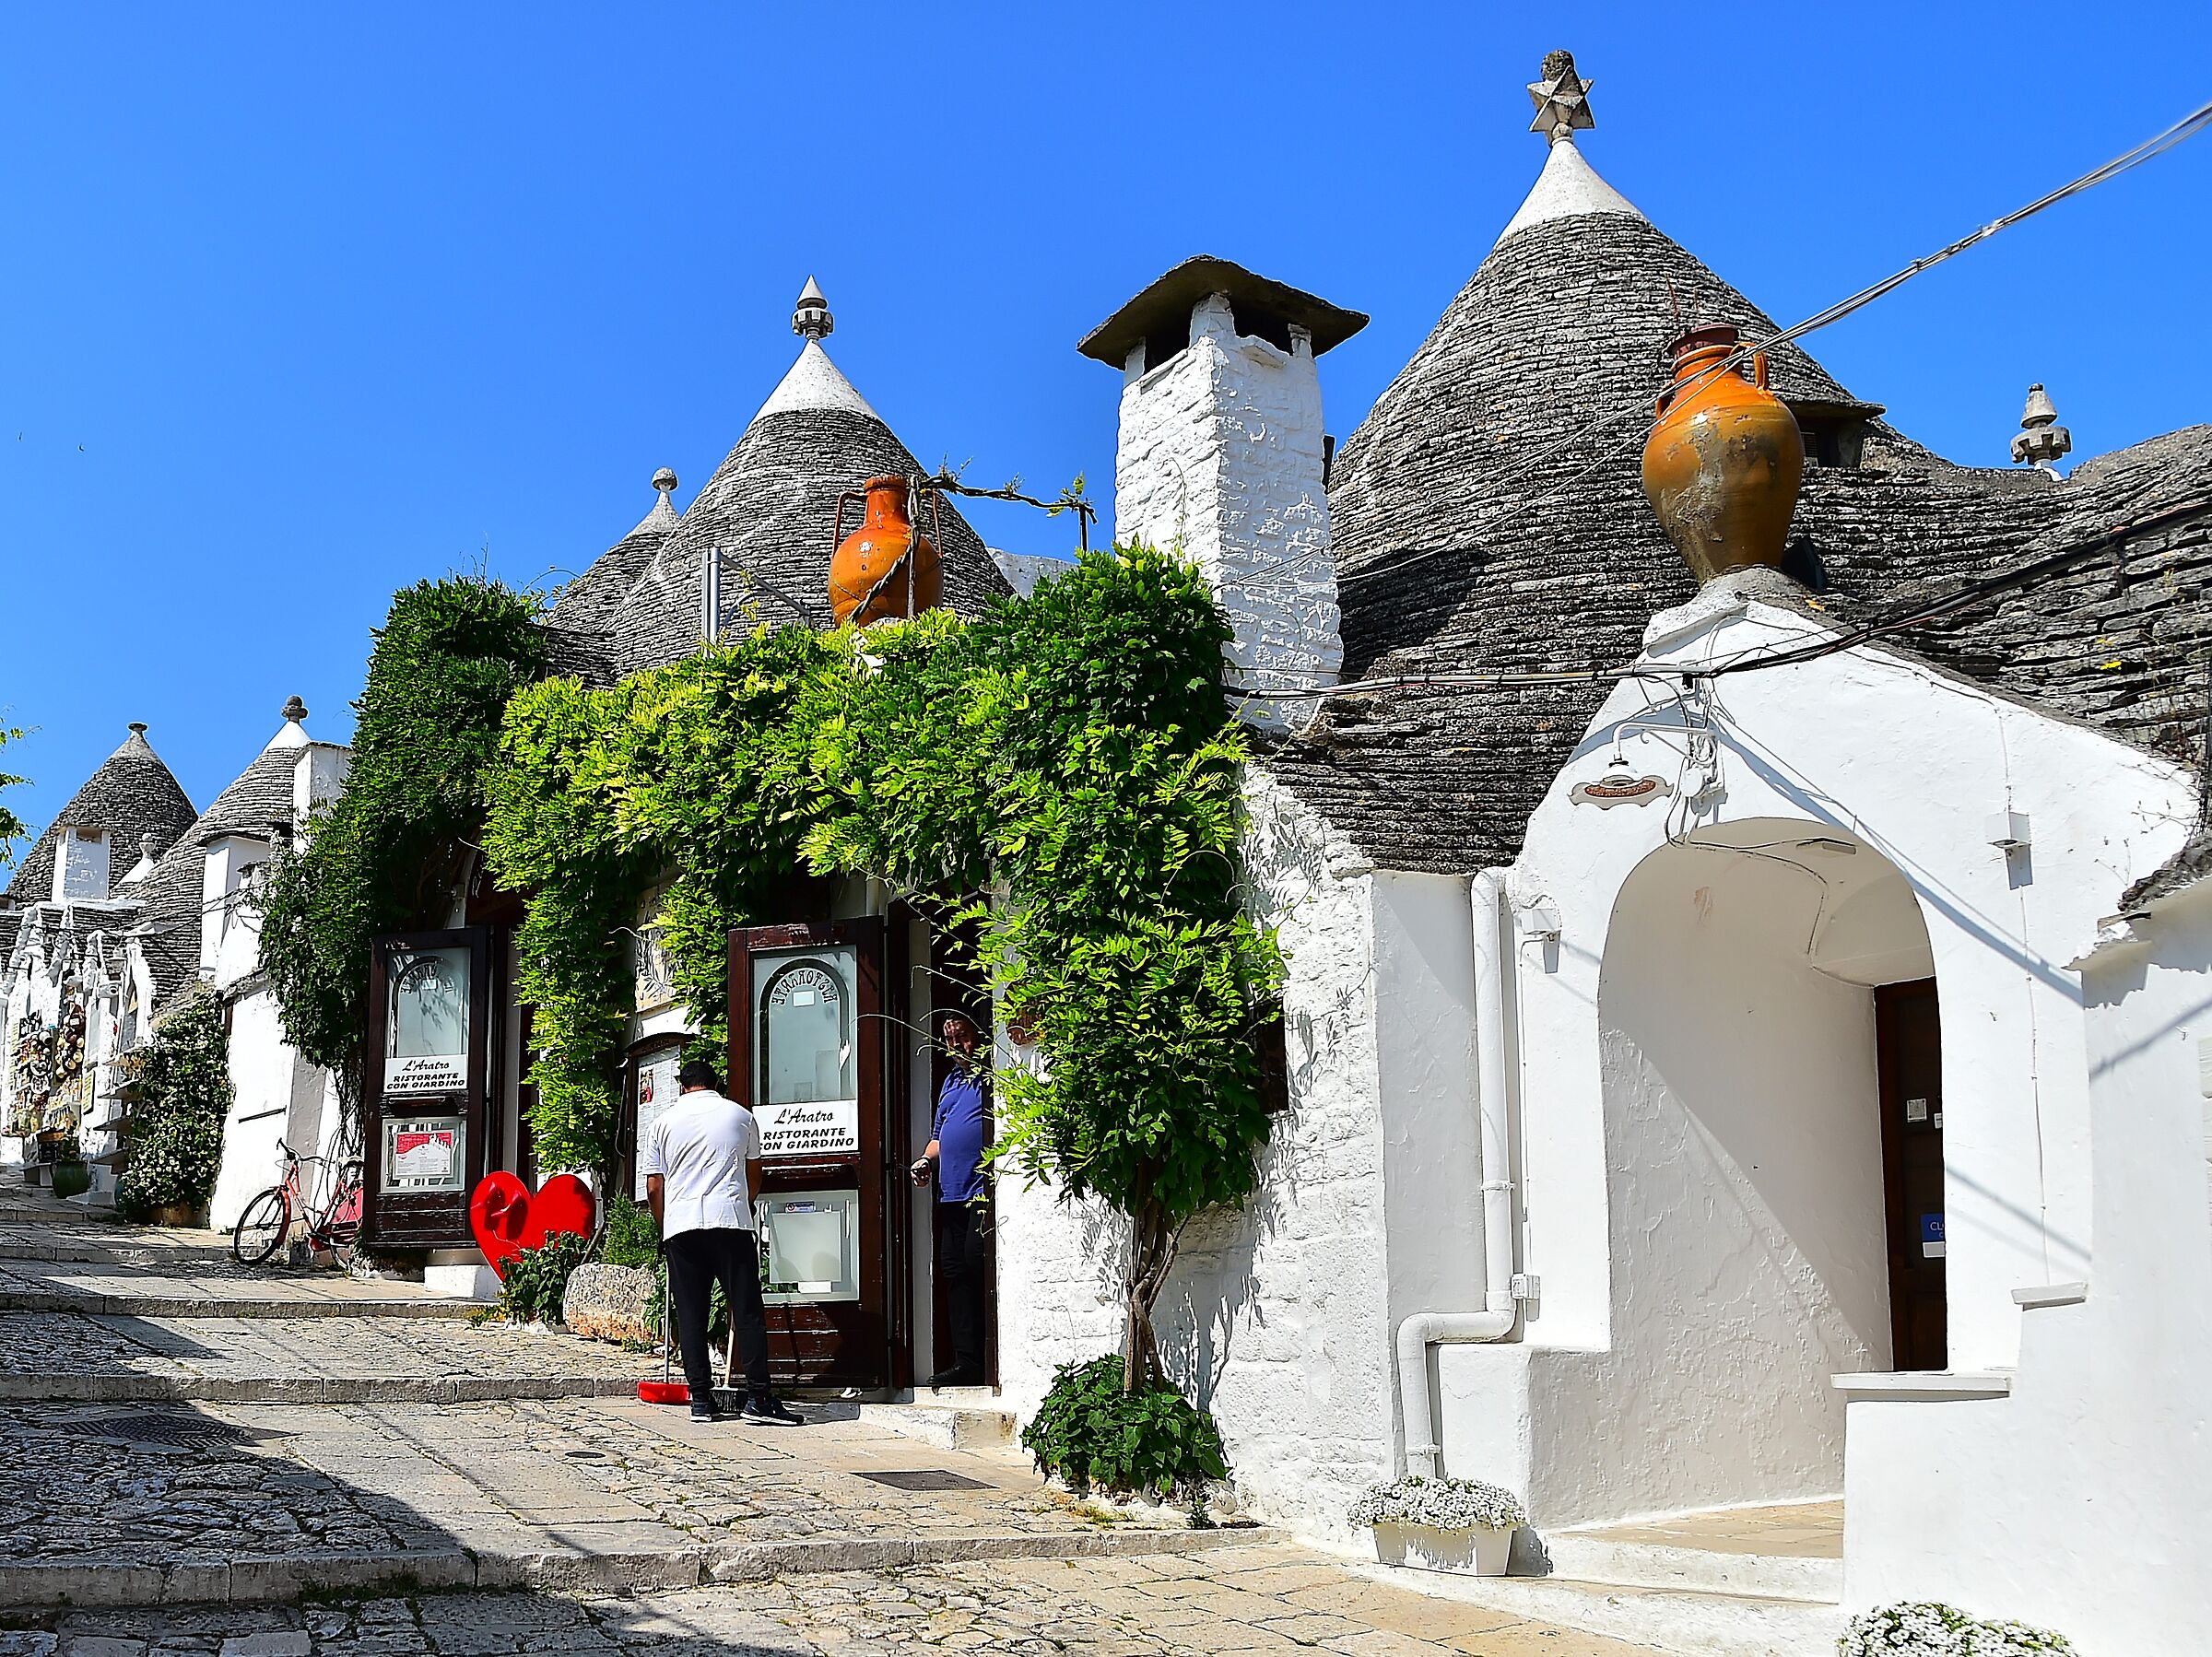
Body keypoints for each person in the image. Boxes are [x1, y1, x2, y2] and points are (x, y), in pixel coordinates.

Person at [641, 1059, 801, 1425]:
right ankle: (759, 1398)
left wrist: (665, 1225)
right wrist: (741, 1206)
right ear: (717, 1083)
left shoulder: (662, 1123)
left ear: (683, 1086)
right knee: (746, 1311)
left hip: (681, 1225)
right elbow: (754, 1175)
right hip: (730, 1219)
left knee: (691, 1312)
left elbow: (654, 1187)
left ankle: (701, 1399)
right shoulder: (740, 1116)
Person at [910, 1012, 992, 1388]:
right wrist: (925, 1161)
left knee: (979, 1268)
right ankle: (967, 1362)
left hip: (980, 1192)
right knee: (955, 1275)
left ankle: (991, 1358)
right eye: (949, 1039)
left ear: (978, 1036)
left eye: (963, 1036)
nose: (956, 1045)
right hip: (950, 1196)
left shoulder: (990, 1078)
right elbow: (938, 1137)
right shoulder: (951, 1082)